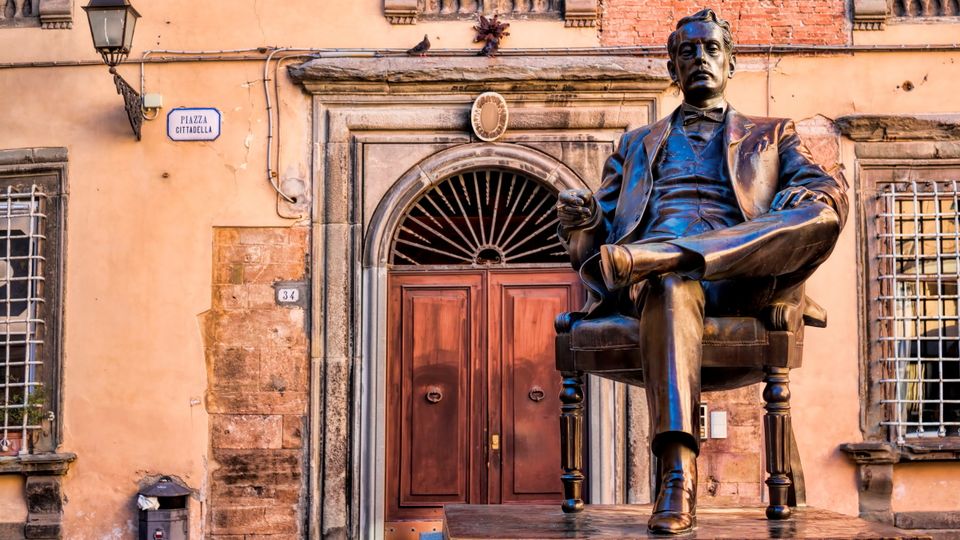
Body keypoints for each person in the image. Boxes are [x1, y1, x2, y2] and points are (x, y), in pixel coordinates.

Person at [556, 8, 848, 535]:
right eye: (687, 51)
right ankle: (677, 473)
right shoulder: (634, 144)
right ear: (673, 67)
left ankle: (666, 254)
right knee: (671, 284)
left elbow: (822, 203)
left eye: (711, 48)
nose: (700, 58)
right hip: (652, 287)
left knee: (824, 211)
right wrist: (580, 221)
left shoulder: (772, 135)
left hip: (743, 284)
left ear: (731, 61)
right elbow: (592, 250)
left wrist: (800, 205)